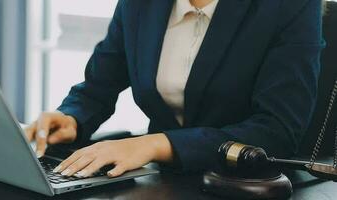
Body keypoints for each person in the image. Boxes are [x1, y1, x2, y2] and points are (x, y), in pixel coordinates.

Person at [25, 0, 325, 178]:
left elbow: (276, 131)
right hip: (164, 182)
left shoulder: (290, 5)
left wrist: (155, 144)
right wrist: (71, 118)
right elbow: (98, 87)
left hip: (248, 183)